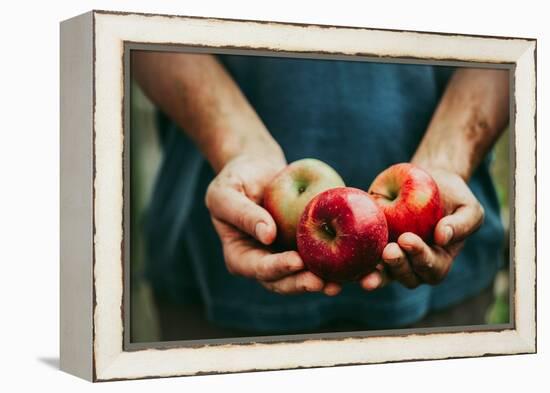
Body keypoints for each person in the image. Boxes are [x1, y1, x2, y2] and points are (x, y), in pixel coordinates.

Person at [132, 51, 509, 340]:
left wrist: (447, 160)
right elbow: (141, 28)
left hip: (443, 292)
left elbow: (514, 30)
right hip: (208, 273)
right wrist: (236, 147)